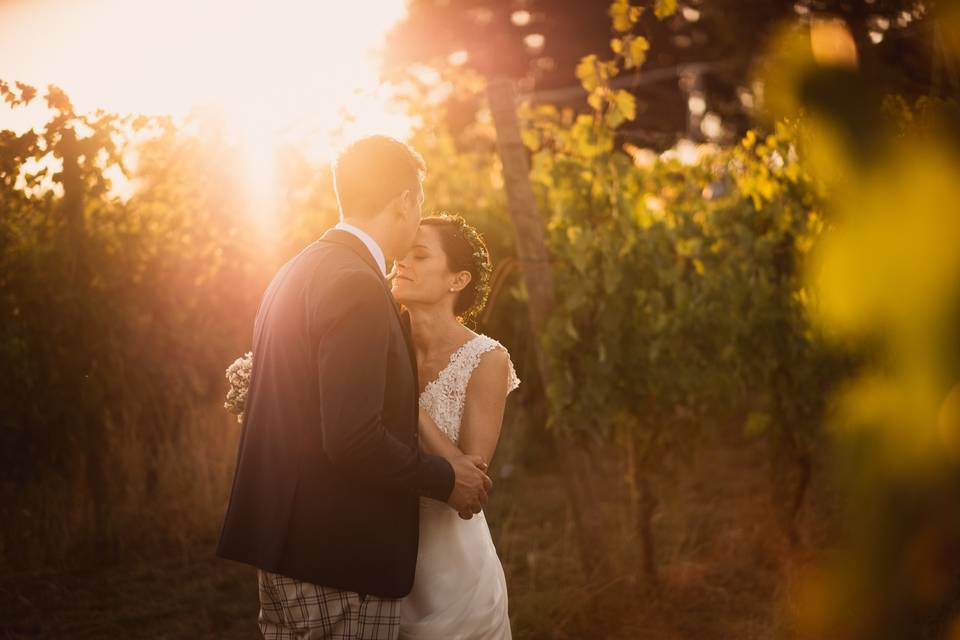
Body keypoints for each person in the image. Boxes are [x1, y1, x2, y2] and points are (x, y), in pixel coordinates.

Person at [216, 136, 492, 640]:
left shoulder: (294, 271)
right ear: (406, 200)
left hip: (285, 547)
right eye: (419, 202)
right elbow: (352, 438)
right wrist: (445, 479)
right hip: (337, 556)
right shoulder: (357, 284)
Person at [392, 214, 519, 639]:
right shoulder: (377, 341)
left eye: (420, 254)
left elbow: (469, 483)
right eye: (401, 253)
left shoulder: (487, 359)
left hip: (455, 573)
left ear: (457, 279)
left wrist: (406, 402)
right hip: (378, 553)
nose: (401, 262)